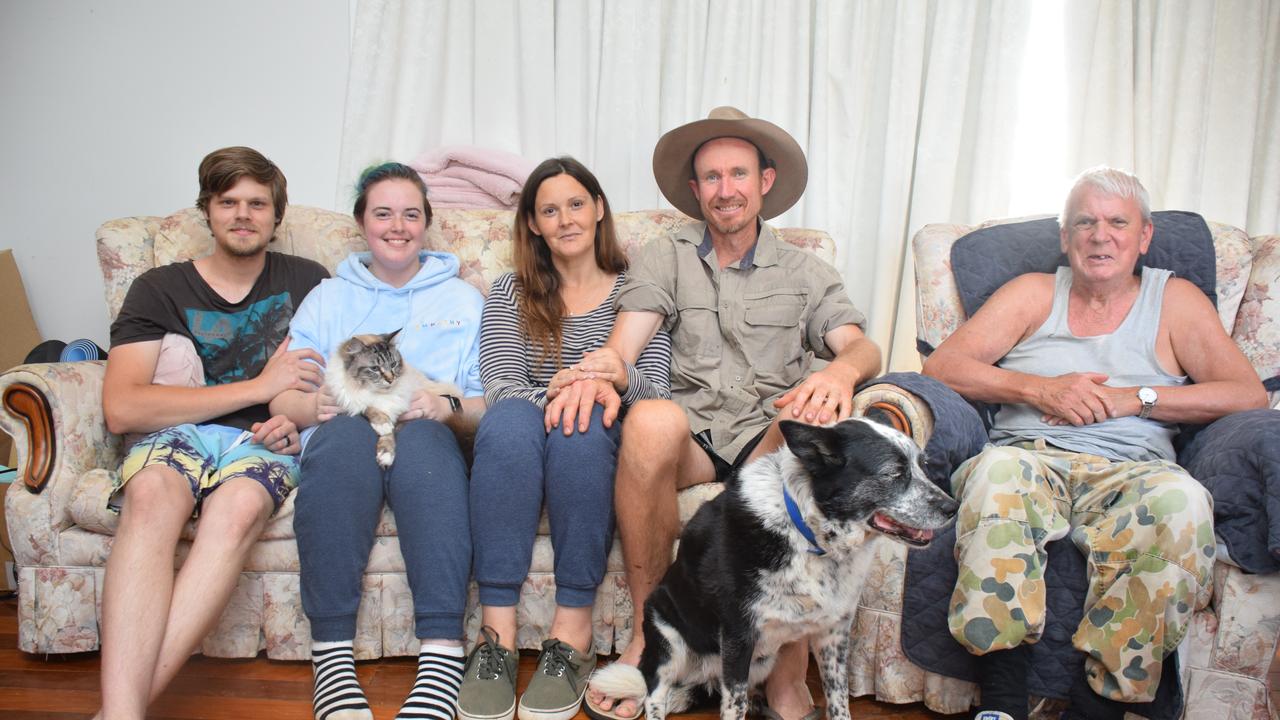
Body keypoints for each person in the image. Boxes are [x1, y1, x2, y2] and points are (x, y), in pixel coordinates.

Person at [921, 166, 1268, 720]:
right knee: (996, 477)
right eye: (1084, 222)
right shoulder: (1033, 293)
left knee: (1182, 504)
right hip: (1029, 456)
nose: (1099, 235)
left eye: (1116, 222)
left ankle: (1096, 709)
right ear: (1065, 236)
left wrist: (1138, 399)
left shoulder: (1174, 300)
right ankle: (1002, 702)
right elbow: (943, 366)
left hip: (1136, 470)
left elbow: (1247, 395)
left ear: (1144, 236)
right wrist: (1038, 389)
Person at [577, 107, 882, 720]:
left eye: (737, 173)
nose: (725, 189)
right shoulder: (665, 257)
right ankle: (650, 635)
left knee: (803, 430)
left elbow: (861, 347)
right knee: (649, 418)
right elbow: (625, 343)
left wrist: (838, 371)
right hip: (693, 433)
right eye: (711, 177)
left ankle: (786, 675)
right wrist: (605, 364)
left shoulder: (807, 270)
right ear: (695, 190)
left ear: (764, 181)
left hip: (766, 433)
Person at [98, 146, 329, 719]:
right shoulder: (160, 288)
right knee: (150, 496)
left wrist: (295, 423)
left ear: (277, 216)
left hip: (263, 445)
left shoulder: (309, 282)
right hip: (177, 434)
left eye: (258, 203)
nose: (244, 214)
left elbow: (328, 390)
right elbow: (123, 408)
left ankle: (118, 713)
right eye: (229, 202)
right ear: (208, 210)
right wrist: (257, 386)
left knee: (238, 509)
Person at [456, 157, 673, 720]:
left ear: (599, 209)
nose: (566, 220)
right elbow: (503, 386)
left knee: (583, 426)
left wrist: (597, 388)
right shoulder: (511, 290)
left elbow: (654, 387)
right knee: (508, 422)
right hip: (526, 426)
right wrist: (573, 389)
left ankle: (571, 635)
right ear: (532, 223)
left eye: (576, 204)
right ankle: (496, 637)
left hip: (600, 434)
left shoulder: (639, 288)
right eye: (549, 210)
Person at [271, 162, 486, 720]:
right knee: (342, 443)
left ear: (426, 224)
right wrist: (309, 405)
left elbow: (491, 403)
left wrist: (448, 406)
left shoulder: (464, 300)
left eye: (411, 214)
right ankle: (333, 663)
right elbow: (283, 395)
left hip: (426, 429)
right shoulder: (327, 297)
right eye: (383, 213)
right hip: (344, 427)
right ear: (362, 223)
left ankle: (440, 661)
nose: (398, 226)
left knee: (426, 452)